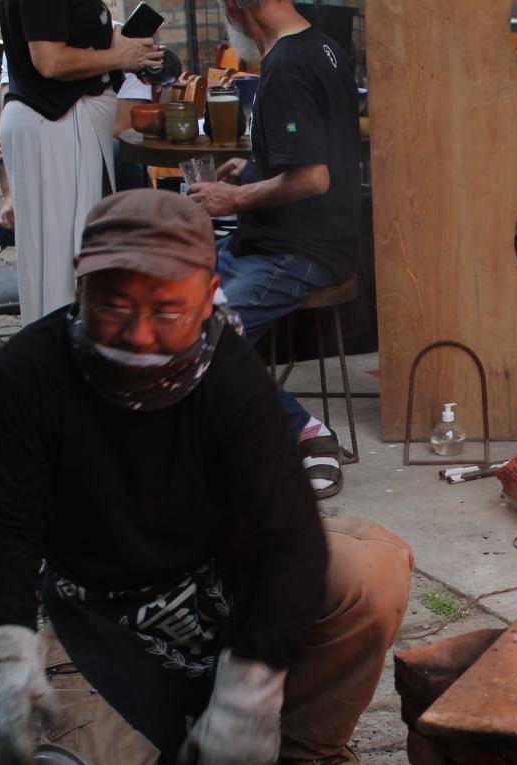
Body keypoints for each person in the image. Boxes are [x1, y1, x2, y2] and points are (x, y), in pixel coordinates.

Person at [0, 189, 413, 765]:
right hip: (102, 607)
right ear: (80, 284)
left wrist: (251, 684)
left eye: (167, 311)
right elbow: (1, 525)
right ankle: (167, 733)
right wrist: (5, 644)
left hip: (221, 580)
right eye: (114, 306)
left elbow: (290, 538)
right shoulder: (27, 372)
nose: (140, 336)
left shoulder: (231, 377)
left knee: (371, 572)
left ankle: (305, 740)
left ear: (207, 299)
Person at [190, 0, 363, 499]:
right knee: (161, 301)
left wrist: (235, 197)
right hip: (266, 240)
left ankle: (307, 433)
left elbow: (313, 176)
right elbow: (313, 145)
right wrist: (253, 168)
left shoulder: (288, 64)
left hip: (299, 252)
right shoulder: (321, 45)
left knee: (206, 336)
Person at [0, 0, 162, 324]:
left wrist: (125, 48)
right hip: (56, 120)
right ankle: (61, 359)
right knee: (64, 267)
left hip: (63, 121)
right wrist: (120, 57)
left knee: (71, 259)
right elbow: (50, 61)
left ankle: (68, 356)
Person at [0, 45, 163, 279]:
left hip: (108, 163)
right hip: (52, 161)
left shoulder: (125, 47)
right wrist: (10, 197)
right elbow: (5, 135)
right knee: (16, 141)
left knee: (112, 151)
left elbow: (122, 129)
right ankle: (7, 221)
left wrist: (58, 141)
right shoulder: (23, 46)